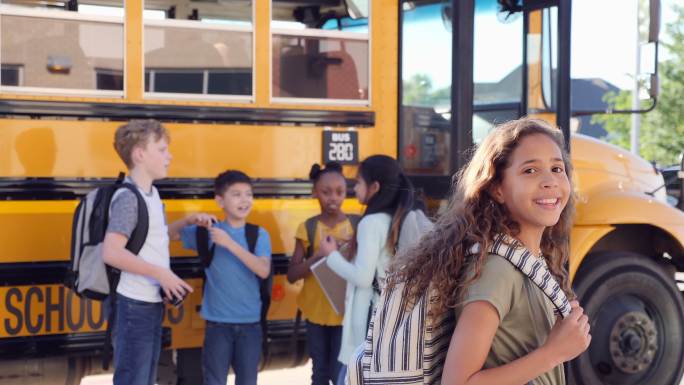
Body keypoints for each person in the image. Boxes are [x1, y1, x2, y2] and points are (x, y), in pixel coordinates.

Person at [387, 118, 591, 385]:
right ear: (497, 189)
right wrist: (553, 353)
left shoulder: (528, 258)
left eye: (557, 168)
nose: (550, 181)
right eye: (530, 171)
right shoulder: (497, 271)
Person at [102, 119, 194, 385]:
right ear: (140, 154)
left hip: (148, 303)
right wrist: (160, 274)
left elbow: (152, 238)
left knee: (144, 378)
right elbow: (112, 252)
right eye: (163, 149)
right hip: (133, 305)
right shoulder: (129, 198)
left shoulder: (151, 195)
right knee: (134, 379)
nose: (170, 156)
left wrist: (186, 223)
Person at [319, 155, 419, 384]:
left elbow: (363, 278)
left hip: (367, 317)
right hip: (386, 315)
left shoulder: (370, 223)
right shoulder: (394, 218)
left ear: (374, 187)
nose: (354, 188)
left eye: (358, 182)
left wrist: (331, 256)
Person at [169, 170, 272, 385]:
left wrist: (229, 244)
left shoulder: (258, 234)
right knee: (214, 381)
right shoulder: (207, 232)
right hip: (217, 325)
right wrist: (189, 219)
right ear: (220, 201)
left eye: (248, 194)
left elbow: (263, 270)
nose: (244, 200)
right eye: (236, 194)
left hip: (250, 325)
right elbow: (166, 235)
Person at [287, 162, 359, 385]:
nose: (333, 199)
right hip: (315, 312)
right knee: (319, 371)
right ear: (314, 192)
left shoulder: (356, 225)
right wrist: (319, 255)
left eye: (339, 192)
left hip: (345, 312)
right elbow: (292, 274)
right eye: (325, 192)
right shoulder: (307, 228)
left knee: (341, 372)